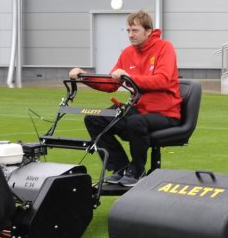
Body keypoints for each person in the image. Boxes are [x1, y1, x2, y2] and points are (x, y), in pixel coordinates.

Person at [69, 10, 181, 186]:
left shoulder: (164, 48)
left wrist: (129, 77)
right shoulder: (128, 53)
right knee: (94, 119)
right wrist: (84, 76)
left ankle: (137, 171)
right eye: (128, 30)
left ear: (148, 31)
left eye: (135, 30)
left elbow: (162, 80)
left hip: (165, 113)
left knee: (136, 122)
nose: (130, 35)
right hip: (139, 110)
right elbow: (111, 84)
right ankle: (120, 167)